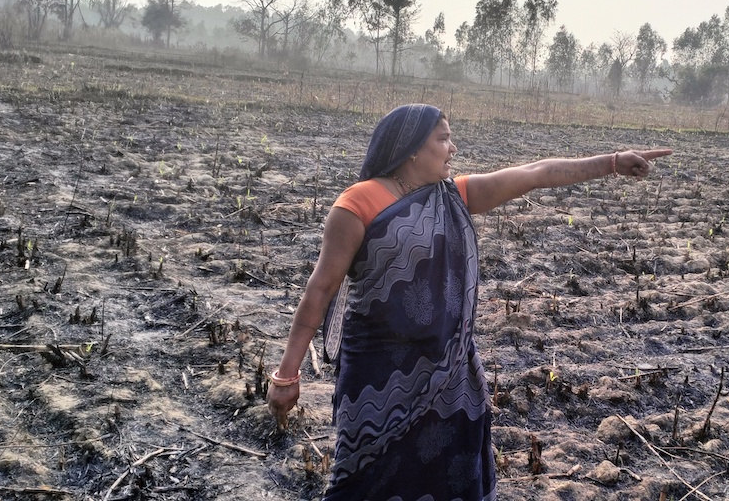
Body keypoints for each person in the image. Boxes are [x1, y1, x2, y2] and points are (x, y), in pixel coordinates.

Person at [266, 103, 671, 500]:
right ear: (411, 148)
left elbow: (534, 174)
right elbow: (319, 291)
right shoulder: (357, 205)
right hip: (377, 379)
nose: (453, 148)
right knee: (360, 479)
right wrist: (287, 376)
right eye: (443, 139)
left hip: (449, 377)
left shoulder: (452, 195)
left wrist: (613, 162)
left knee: (446, 477)